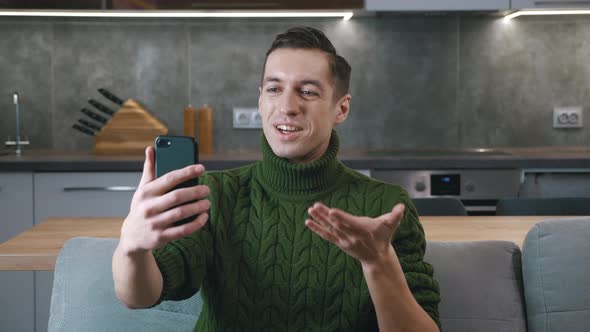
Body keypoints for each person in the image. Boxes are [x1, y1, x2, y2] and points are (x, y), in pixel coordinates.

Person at [112, 26, 441, 331]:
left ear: (340, 109)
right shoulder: (215, 195)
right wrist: (132, 248)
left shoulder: (386, 206)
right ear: (260, 99)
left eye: (308, 92)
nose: (287, 106)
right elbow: (138, 296)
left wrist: (378, 260)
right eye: (274, 89)